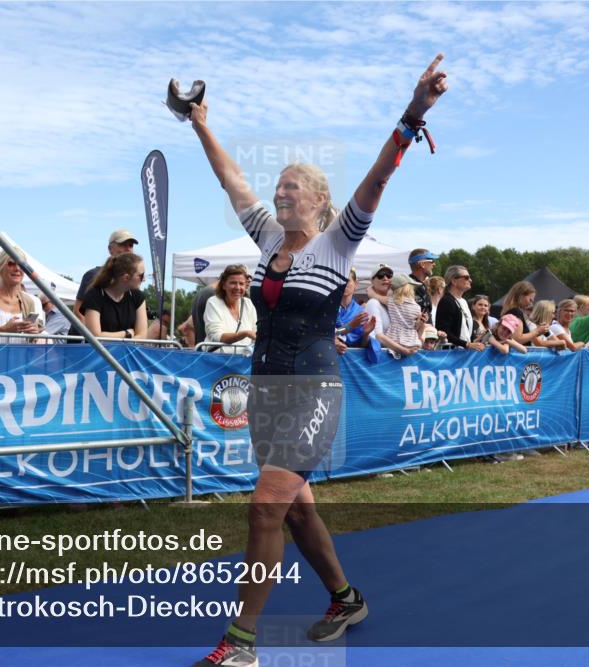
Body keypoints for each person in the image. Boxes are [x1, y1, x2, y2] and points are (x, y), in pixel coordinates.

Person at [186, 53, 450, 667]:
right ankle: (345, 597)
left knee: (265, 507)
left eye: (292, 187)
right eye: (277, 186)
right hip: (266, 391)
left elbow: (379, 177)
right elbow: (231, 180)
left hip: (313, 393)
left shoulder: (341, 240)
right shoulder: (267, 238)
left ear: (319, 199)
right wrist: (201, 123)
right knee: (296, 510)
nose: (279, 193)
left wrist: (413, 114)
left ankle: (241, 645)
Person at [74, 229, 139, 324]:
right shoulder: (93, 275)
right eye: (123, 244)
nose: (128, 249)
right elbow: (78, 311)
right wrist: (93, 336)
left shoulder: (132, 280)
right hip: (85, 337)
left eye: (131, 245)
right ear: (110, 249)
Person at [79, 253, 148, 340]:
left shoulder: (138, 297)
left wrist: (112, 338)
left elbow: (142, 336)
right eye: (141, 276)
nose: (144, 279)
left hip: (127, 352)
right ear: (126, 278)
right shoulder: (95, 295)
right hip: (99, 353)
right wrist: (126, 334)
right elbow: (95, 337)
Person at [204, 265, 257, 353]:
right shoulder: (213, 302)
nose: (237, 287)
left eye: (241, 284)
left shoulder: (249, 304)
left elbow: (256, 331)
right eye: (233, 283)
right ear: (224, 285)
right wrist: (245, 333)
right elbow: (217, 336)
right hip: (217, 361)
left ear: (245, 286)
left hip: (243, 361)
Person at [435, 265, 485, 351]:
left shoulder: (464, 302)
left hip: (463, 353)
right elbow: (445, 331)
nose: (470, 280)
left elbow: (464, 333)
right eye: (466, 277)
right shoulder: (446, 301)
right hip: (452, 354)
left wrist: (477, 340)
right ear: (454, 281)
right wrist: (467, 344)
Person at [381, 273, 423, 357]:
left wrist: (370, 289)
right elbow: (416, 326)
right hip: (411, 340)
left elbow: (373, 295)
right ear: (407, 289)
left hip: (394, 339)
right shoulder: (417, 307)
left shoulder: (391, 302)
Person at [334, 268, 374, 353]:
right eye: (341, 280)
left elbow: (362, 346)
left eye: (347, 280)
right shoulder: (329, 308)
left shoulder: (361, 311)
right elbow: (328, 334)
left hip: (353, 359)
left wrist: (366, 334)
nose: (344, 284)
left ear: (355, 284)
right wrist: (351, 325)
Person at [501, 280, 547, 345]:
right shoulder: (516, 312)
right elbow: (517, 339)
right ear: (521, 295)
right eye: (530, 300)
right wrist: (537, 331)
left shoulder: (512, 311)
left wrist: (538, 332)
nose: (530, 303)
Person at [405, 248, 438, 322]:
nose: (434, 264)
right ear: (422, 264)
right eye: (431, 261)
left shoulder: (421, 285)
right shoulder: (407, 285)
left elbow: (427, 314)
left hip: (426, 331)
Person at [363, 264, 393, 335]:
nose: (385, 278)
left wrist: (374, 295)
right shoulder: (373, 303)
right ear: (372, 281)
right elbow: (376, 336)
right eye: (380, 275)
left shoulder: (397, 300)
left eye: (389, 275)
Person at [191, 281, 218, 346]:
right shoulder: (214, 295)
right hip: (212, 349)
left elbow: (188, 325)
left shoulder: (201, 293)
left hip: (201, 346)